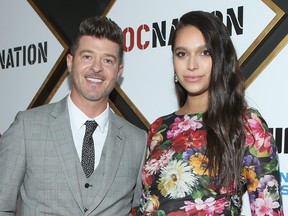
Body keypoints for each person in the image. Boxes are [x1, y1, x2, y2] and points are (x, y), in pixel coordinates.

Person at [136, 11, 284, 215]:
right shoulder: (160, 127)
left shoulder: (247, 124)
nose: (191, 65)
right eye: (182, 54)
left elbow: (268, 211)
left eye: (204, 52)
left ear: (221, 58)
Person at [0, 15, 147, 216]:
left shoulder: (137, 141)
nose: (96, 67)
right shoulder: (27, 127)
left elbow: (141, 209)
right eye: (87, 56)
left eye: (107, 60)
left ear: (118, 71)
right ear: (70, 62)